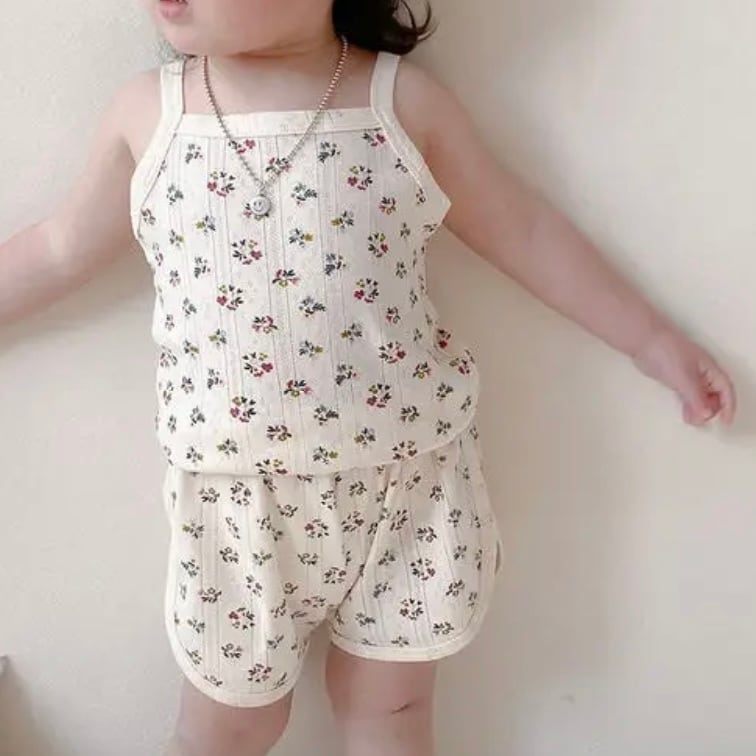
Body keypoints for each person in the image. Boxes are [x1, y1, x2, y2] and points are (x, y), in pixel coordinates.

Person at [0, 1, 736, 754]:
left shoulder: (399, 104)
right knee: (225, 727)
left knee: (390, 712)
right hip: (238, 505)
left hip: (408, 488)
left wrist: (651, 340)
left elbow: (522, 231)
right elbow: (59, 247)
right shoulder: (151, 113)